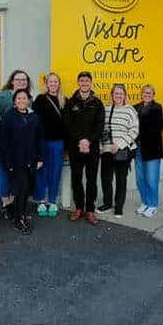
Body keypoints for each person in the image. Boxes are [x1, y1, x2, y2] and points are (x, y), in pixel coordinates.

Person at [0, 89, 43, 234]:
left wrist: (40, 158)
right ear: (14, 101)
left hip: (31, 159)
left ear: (29, 100)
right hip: (15, 160)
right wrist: (7, 162)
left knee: (27, 188)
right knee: (20, 188)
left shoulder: (34, 116)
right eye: (19, 98)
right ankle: (18, 219)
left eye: (24, 98)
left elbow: (39, 138)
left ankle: (19, 213)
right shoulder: (8, 116)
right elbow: (1, 141)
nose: (22, 101)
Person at [63, 71, 105, 225]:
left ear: (91, 83)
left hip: (92, 148)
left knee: (92, 179)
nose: (84, 83)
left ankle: (90, 210)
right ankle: (79, 208)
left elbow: (99, 126)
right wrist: (80, 140)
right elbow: (68, 124)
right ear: (78, 82)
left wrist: (89, 141)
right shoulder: (71, 102)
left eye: (87, 80)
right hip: (76, 147)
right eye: (82, 80)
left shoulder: (97, 103)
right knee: (76, 178)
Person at [0, 70, 31, 219]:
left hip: (21, 143)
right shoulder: (4, 96)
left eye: (24, 80)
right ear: (12, 81)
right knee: (4, 170)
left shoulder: (27, 98)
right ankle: (5, 203)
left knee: (17, 172)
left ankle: (13, 200)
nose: (21, 82)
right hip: (4, 141)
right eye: (18, 79)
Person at [97, 84, 139, 218]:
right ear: (112, 95)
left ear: (125, 95)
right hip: (107, 150)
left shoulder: (130, 110)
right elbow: (100, 129)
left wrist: (120, 144)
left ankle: (119, 206)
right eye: (116, 93)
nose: (118, 96)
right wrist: (102, 147)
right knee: (106, 178)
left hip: (122, 150)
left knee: (121, 179)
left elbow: (134, 130)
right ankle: (107, 203)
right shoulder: (106, 109)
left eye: (121, 94)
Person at [32, 73, 66, 218]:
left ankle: (52, 201)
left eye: (55, 81)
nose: (53, 84)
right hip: (43, 142)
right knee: (41, 172)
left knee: (55, 172)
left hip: (58, 142)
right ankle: (40, 200)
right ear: (46, 84)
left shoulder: (64, 100)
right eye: (50, 82)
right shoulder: (40, 99)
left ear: (59, 84)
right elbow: (34, 122)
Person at [133, 84, 163, 218]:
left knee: (152, 179)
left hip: (152, 149)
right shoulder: (135, 107)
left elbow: (154, 127)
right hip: (138, 148)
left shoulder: (156, 108)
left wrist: (137, 130)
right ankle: (145, 201)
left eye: (150, 93)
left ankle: (153, 205)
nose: (147, 94)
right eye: (145, 92)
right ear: (141, 94)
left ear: (153, 95)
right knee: (140, 178)